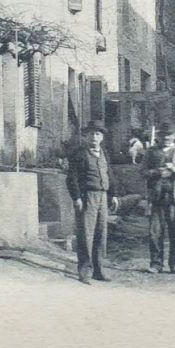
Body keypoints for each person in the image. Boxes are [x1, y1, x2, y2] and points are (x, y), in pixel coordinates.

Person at [66, 120, 118, 284]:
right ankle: (85, 272)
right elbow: (71, 178)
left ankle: (99, 270)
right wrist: (77, 197)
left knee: (101, 234)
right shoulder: (79, 154)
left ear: (102, 137)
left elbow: (109, 174)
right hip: (87, 197)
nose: (94, 137)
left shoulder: (104, 153)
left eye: (97, 134)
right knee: (85, 235)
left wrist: (114, 194)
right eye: (91, 134)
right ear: (86, 136)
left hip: (102, 197)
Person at [142, 124, 175, 275]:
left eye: (169, 135)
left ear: (174, 136)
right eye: (163, 135)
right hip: (157, 198)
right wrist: (156, 172)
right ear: (158, 136)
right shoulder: (151, 152)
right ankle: (156, 264)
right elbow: (142, 171)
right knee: (155, 233)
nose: (166, 138)